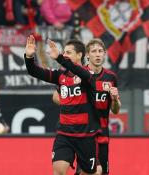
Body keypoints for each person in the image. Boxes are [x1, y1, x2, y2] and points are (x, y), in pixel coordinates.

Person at [25, 35, 101, 175]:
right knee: (58, 171)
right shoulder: (60, 75)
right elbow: (34, 72)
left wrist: (60, 58)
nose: (64, 55)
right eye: (64, 52)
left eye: (68, 53)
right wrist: (29, 57)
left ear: (79, 55)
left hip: (85, 135)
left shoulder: (89, 75)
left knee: (90, 173)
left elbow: (80, 72)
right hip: (64, 134)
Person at [48, 38, 121, 175]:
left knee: (99, 172)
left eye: (101, 51)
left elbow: (115, 110)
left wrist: (115, 99)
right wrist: (73, 105)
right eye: (94, 51)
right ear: (87, 55)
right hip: (82, 131)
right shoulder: (78, 73)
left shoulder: (111, 78)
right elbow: (56, 96)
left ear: (105, 54)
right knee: (95, 171)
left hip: (102, 132)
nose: (98, 54)